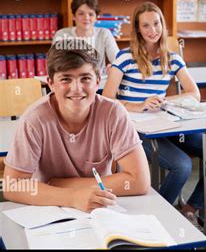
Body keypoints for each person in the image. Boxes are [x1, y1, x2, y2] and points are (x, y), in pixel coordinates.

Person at [3, 40, 150, 212]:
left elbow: (140, 181)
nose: (76, 88)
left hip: (101, 207)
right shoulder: (34, 120)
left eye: (85, 78)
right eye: (66, 79)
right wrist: (72, 197)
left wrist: (63, 184)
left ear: (97, 82)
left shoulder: (113, 113)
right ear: (50, 83)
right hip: (49, 208)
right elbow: (12, 186)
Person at [102, 2, 204, 224]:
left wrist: (163, 101)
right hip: (134, 130)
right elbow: (107, 99)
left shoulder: (172, 58)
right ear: (138, 30)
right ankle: (158, 217)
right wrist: (139, 105)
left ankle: (192, 207)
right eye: (145, 25)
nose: (152, 30)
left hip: (164, 124)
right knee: (182, 165)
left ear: (162, 24)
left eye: (156, 23)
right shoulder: (124, 58)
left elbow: (194, 94)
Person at [53, 0, 119, 75]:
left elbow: (118, 60)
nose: (86, 18)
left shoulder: (104, 33)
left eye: (91, 14)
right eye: (81, 14)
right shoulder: (62, 35)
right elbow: (55, 63)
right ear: (74, 16)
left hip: (98, 82)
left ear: (96, 17)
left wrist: (113, 67)